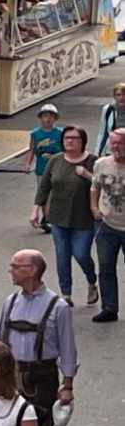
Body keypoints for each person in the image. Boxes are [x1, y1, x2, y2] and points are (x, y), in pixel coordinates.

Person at [0, 248, 73, 426]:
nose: (11, 270)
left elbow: (68, 348)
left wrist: (67, 385)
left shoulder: (58, 306)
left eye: (16, 266)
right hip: (12, 375)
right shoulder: (10, 302)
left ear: (33, 270)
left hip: (43, 376)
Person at [34, 125, 99, 306]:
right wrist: (36, 208)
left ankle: (92, 280)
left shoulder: (93, 161)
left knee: (81, 254)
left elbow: (103, 183)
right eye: (66, 138)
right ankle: (66, 294)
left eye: (74, 138)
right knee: (62, 255)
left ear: (82, 141)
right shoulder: (56, 160)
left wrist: (86, 174)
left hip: (83, 218)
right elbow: (45, 185)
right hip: (58, 216)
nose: (69, 141)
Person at [93, 128, 125, 324]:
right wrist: (94, 208)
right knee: (105, 268)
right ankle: (109, 308)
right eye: (113, 143)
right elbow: (94, 187)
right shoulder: (101, 164)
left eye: (120, 143)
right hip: (107, 226)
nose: (116, 147)